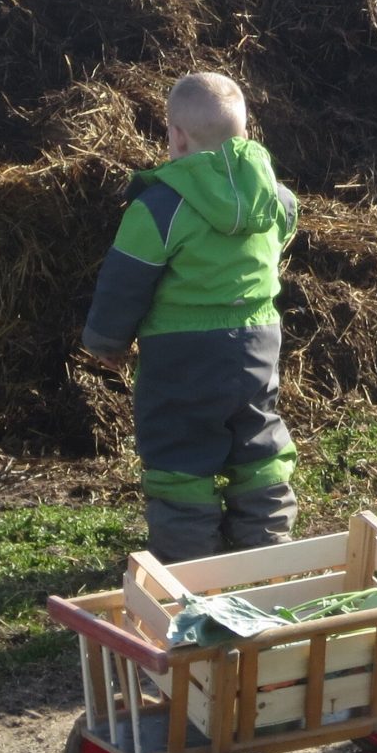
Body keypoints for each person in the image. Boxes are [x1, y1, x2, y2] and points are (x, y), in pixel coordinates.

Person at [82, 71, 301, 562]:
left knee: (181, 446)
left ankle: (190, 559)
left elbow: (125, 281)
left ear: (176, 135)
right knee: (258, 436)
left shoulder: (158, 206)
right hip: (258, 341)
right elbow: (280, 237)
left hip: (180, 350)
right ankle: (264, 547)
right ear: (245, 130)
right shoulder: (277, 199)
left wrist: (106, 340)